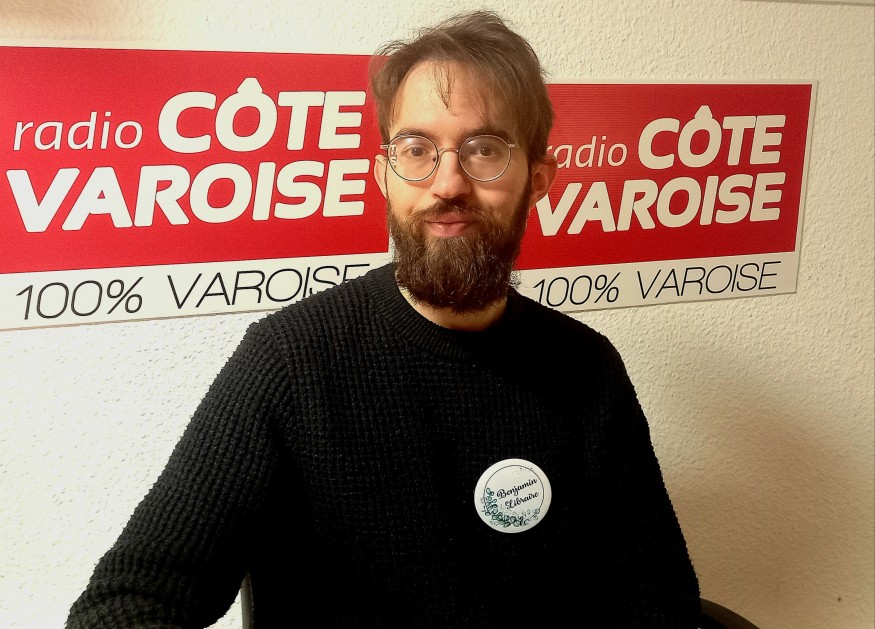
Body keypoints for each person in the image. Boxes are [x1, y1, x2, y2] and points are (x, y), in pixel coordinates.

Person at [66, 10, 700, 628]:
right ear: (383, 176)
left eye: (484, 149)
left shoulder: (586, 367)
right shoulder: (292, 361)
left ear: (538, 179)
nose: (448, 184)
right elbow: (132, 599)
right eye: (417, 149)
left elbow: (657, 600)